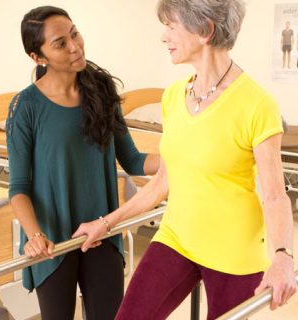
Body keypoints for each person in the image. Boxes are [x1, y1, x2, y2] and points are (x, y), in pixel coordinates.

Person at [73, 1, 297, 319]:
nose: (164, 37)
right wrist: (106, 223)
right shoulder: (173, 96)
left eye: (171, 26)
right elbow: (163, 181)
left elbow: (275, 194)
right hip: (177, 236)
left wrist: (283, 257)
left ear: (204, 31)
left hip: (233, 249)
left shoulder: (257, 104)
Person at [6, 5, 159, 320]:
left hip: (101, 233)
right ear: (38, 57)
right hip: (52, 241)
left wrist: (185, 156)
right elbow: (18, 188)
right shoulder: (25, 107)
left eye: (74, 33)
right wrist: (34, 235)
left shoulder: (101, 91)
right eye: (60, 43)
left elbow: (132, 159)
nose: (75, 46)